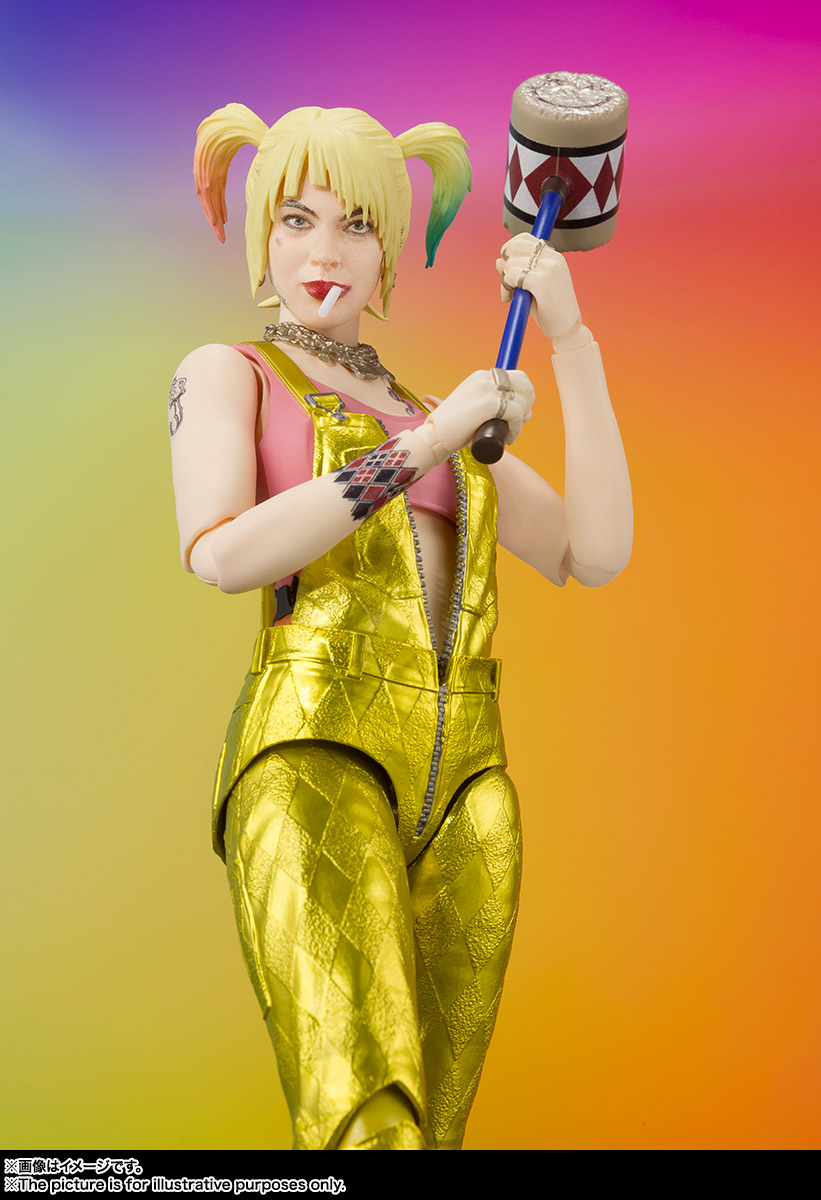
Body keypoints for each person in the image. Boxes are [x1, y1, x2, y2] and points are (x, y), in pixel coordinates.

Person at [170, 102, 632, 1151]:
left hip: (470, 778)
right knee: (367, 1121)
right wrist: (426, 443)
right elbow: (222, 556)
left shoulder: (437, 409)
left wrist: (570, 339)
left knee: (435, 1130)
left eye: (357, 225)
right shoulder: (231, 373)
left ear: (390, 247)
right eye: (295, 220)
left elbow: (592, 552)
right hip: (313, 752)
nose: (324, 253)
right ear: (260, 234)